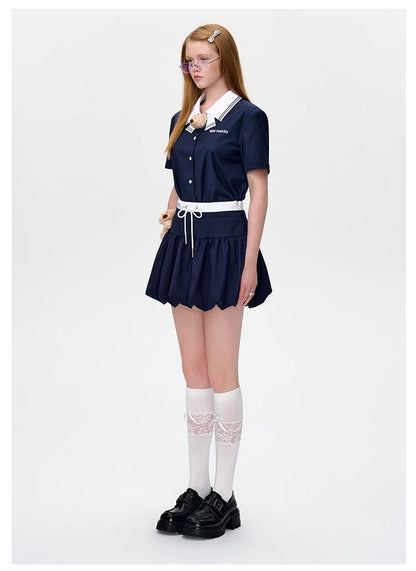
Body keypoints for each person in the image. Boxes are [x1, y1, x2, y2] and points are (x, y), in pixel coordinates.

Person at [145, 23, 273, 539]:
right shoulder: (182, 118)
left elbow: (259, 192)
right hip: (184, 244)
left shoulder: (248, 117)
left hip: (225, 245)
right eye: (188, 60)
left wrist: (249, 261)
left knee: (222, 370)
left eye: (202, 59)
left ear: (224, 61)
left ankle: (226, 494)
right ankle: (197, 488)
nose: (194, 68)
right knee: (193, 369)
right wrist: (168, 217)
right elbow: (180, 183)